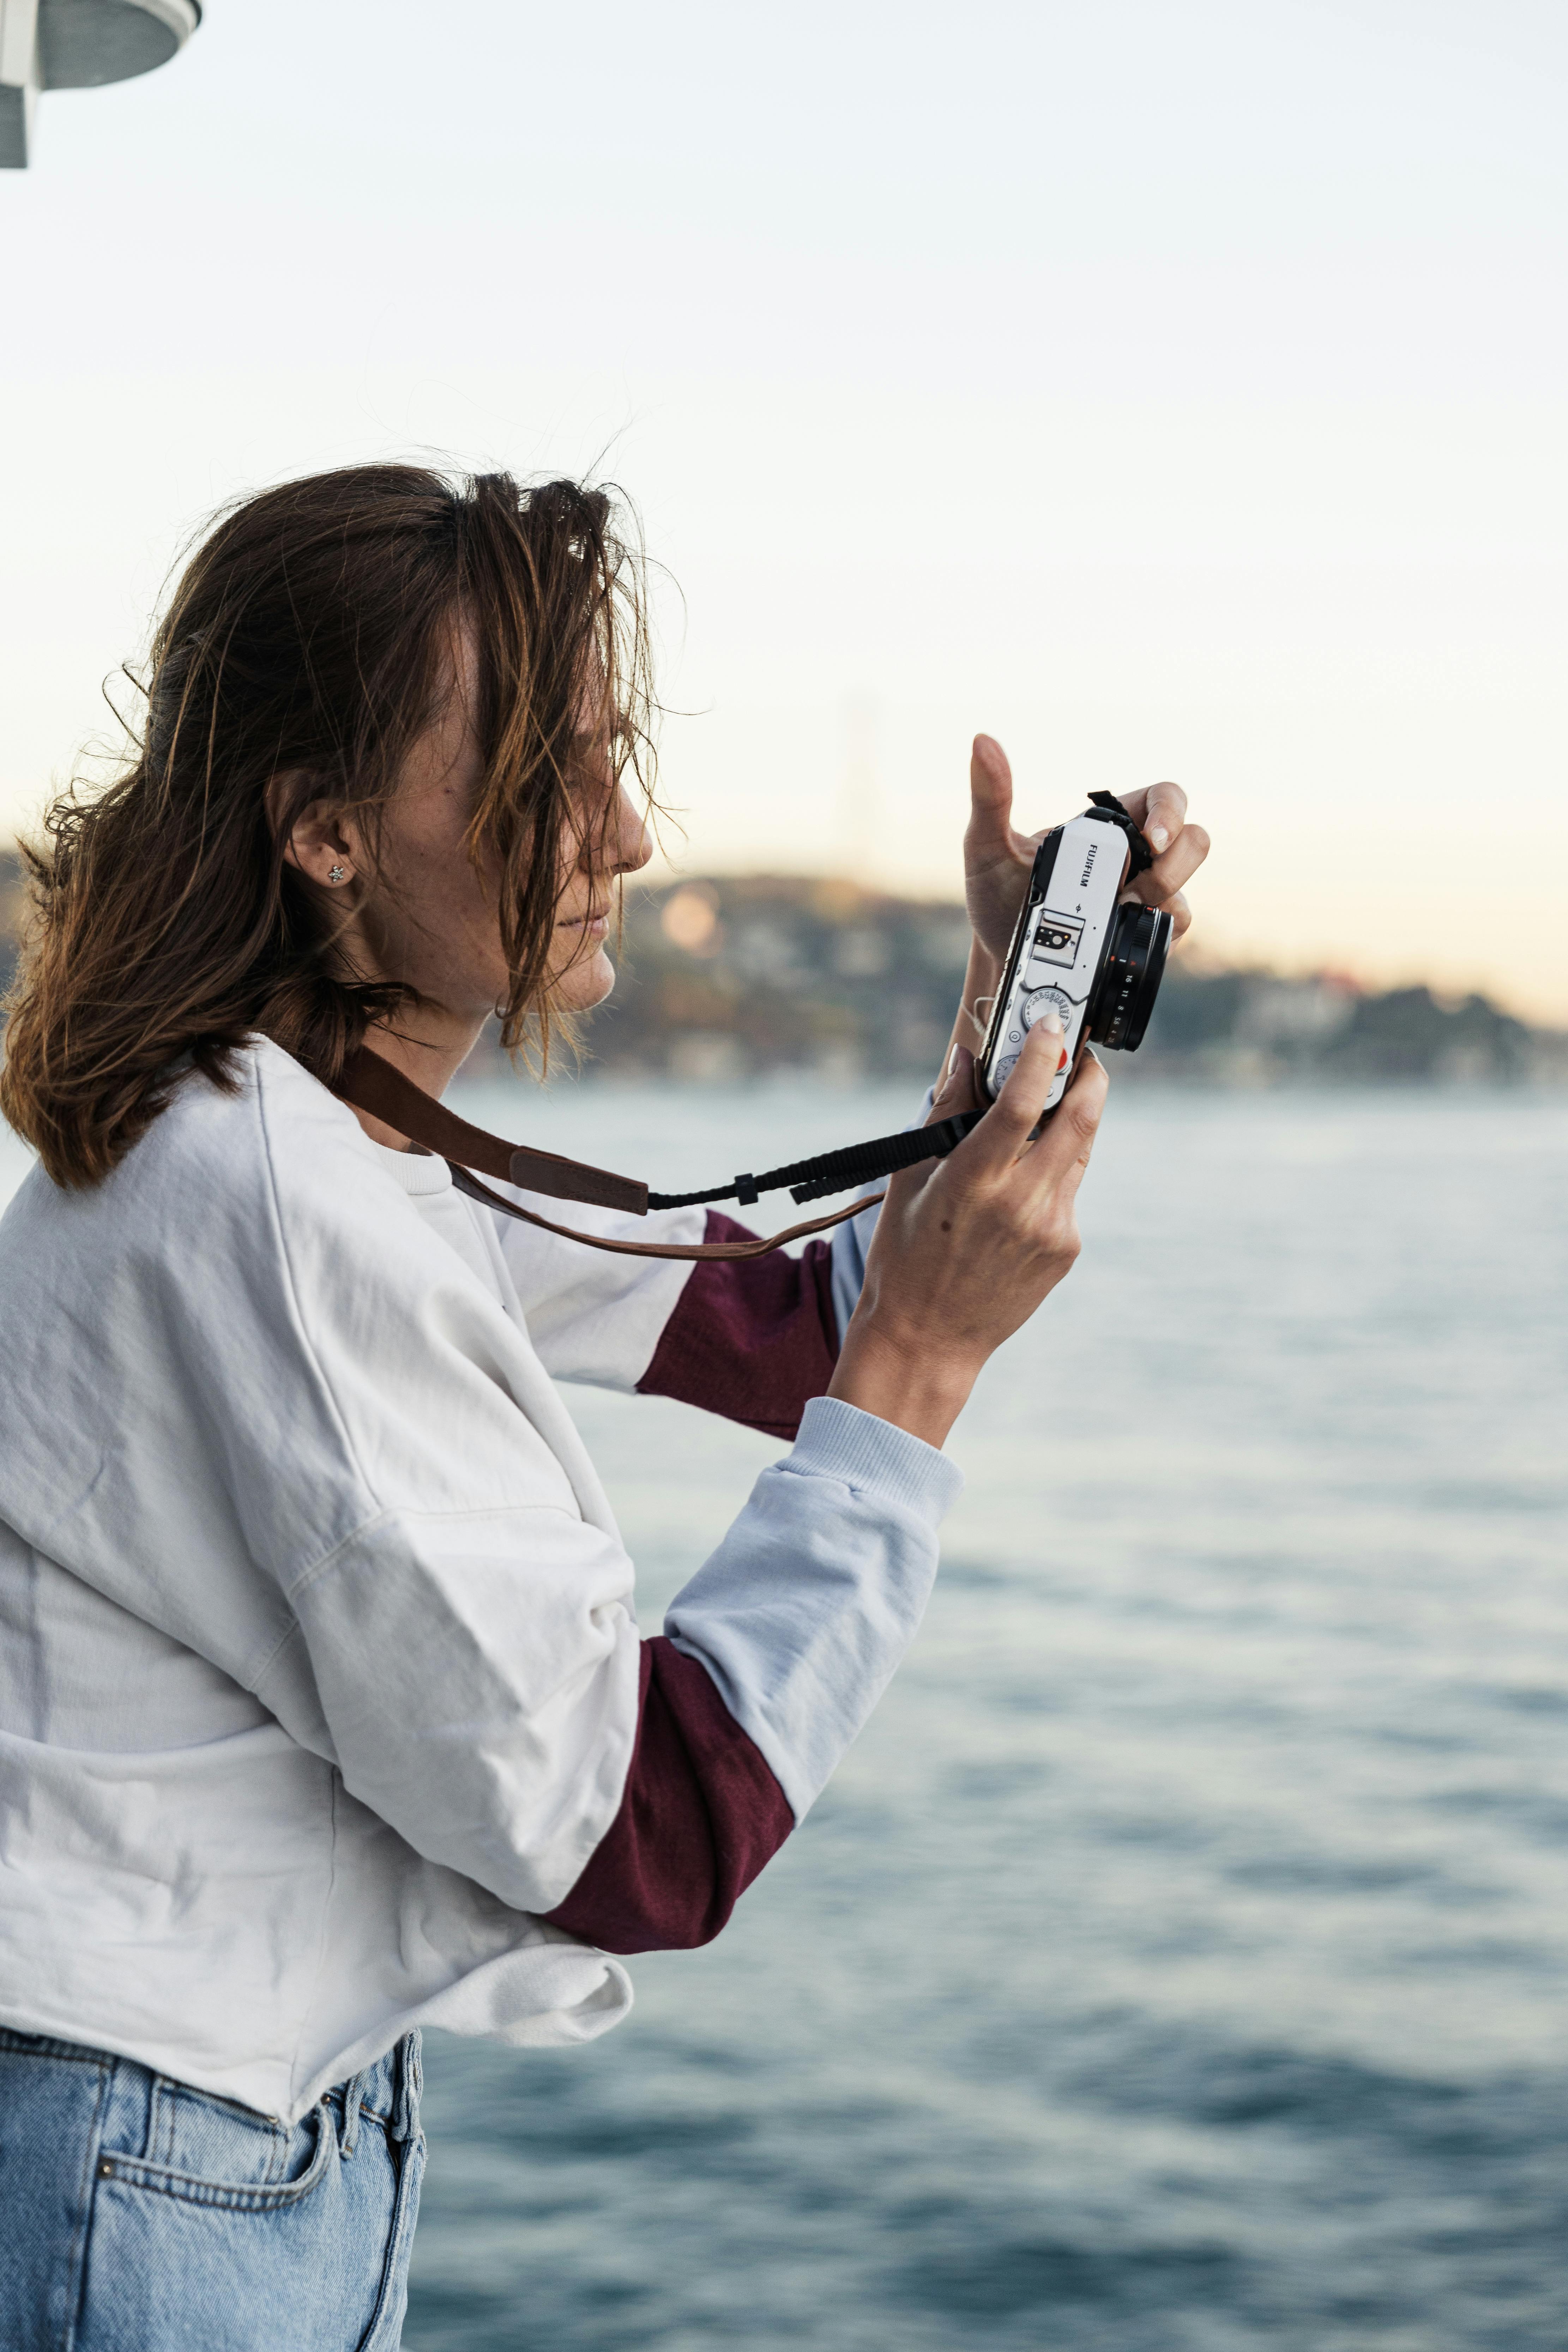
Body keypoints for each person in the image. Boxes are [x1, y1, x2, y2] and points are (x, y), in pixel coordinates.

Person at [0, 465, 1208, 2351]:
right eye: (541, 775)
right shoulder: (278, 1212)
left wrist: (1004, 1033)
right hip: (162, 2174)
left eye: (611, 755)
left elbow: (779, 1327)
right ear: (318, 832)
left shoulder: (282, 1133)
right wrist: (927, 1376)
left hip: (189, 2135)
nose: (629, 832)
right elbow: (637, 1839)